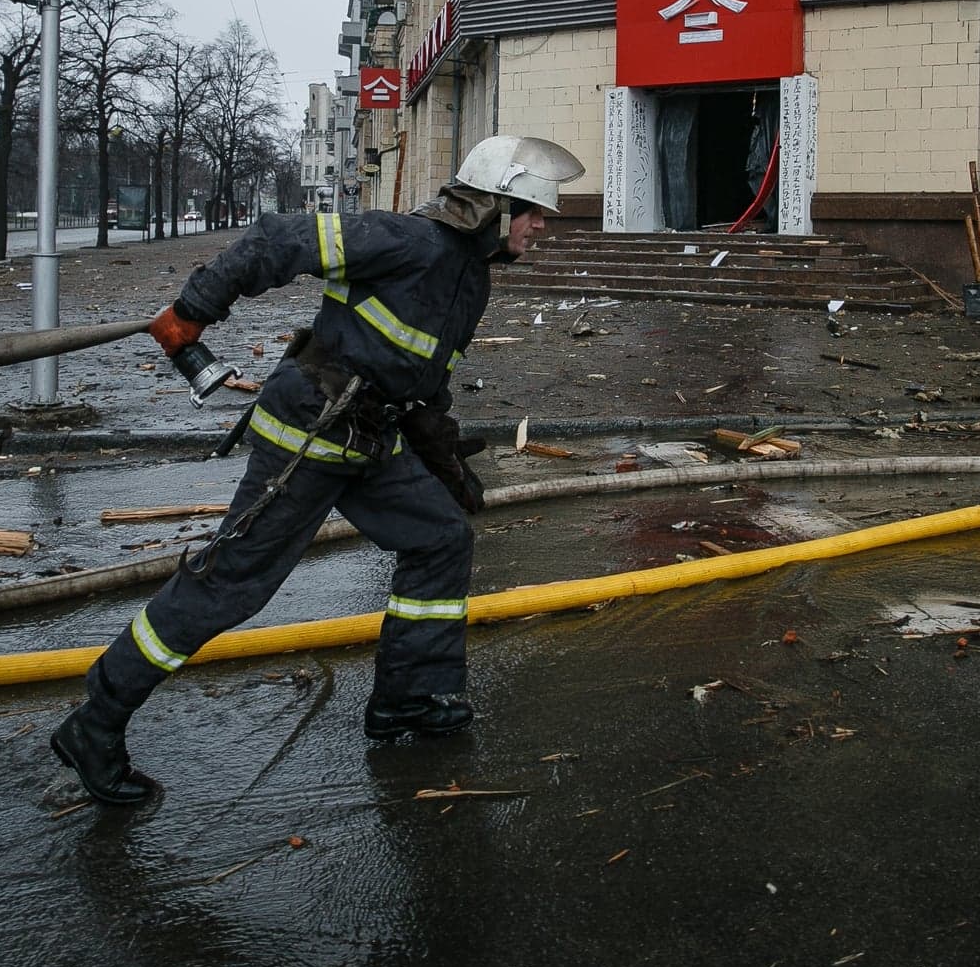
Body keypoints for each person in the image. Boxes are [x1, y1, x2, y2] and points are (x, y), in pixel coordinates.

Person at [51, 134, 586, 807]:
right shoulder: (407, 241)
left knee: (441, 538)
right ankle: (96, 721)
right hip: (309, 432)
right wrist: (193, 311)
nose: (542, 227)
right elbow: (277, 239)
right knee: (231, 585)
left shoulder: (468, 279)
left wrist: (445, 462)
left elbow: (423, 385)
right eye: (535, 212)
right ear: (497, 208)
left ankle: (409, 699)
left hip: (368, 437)